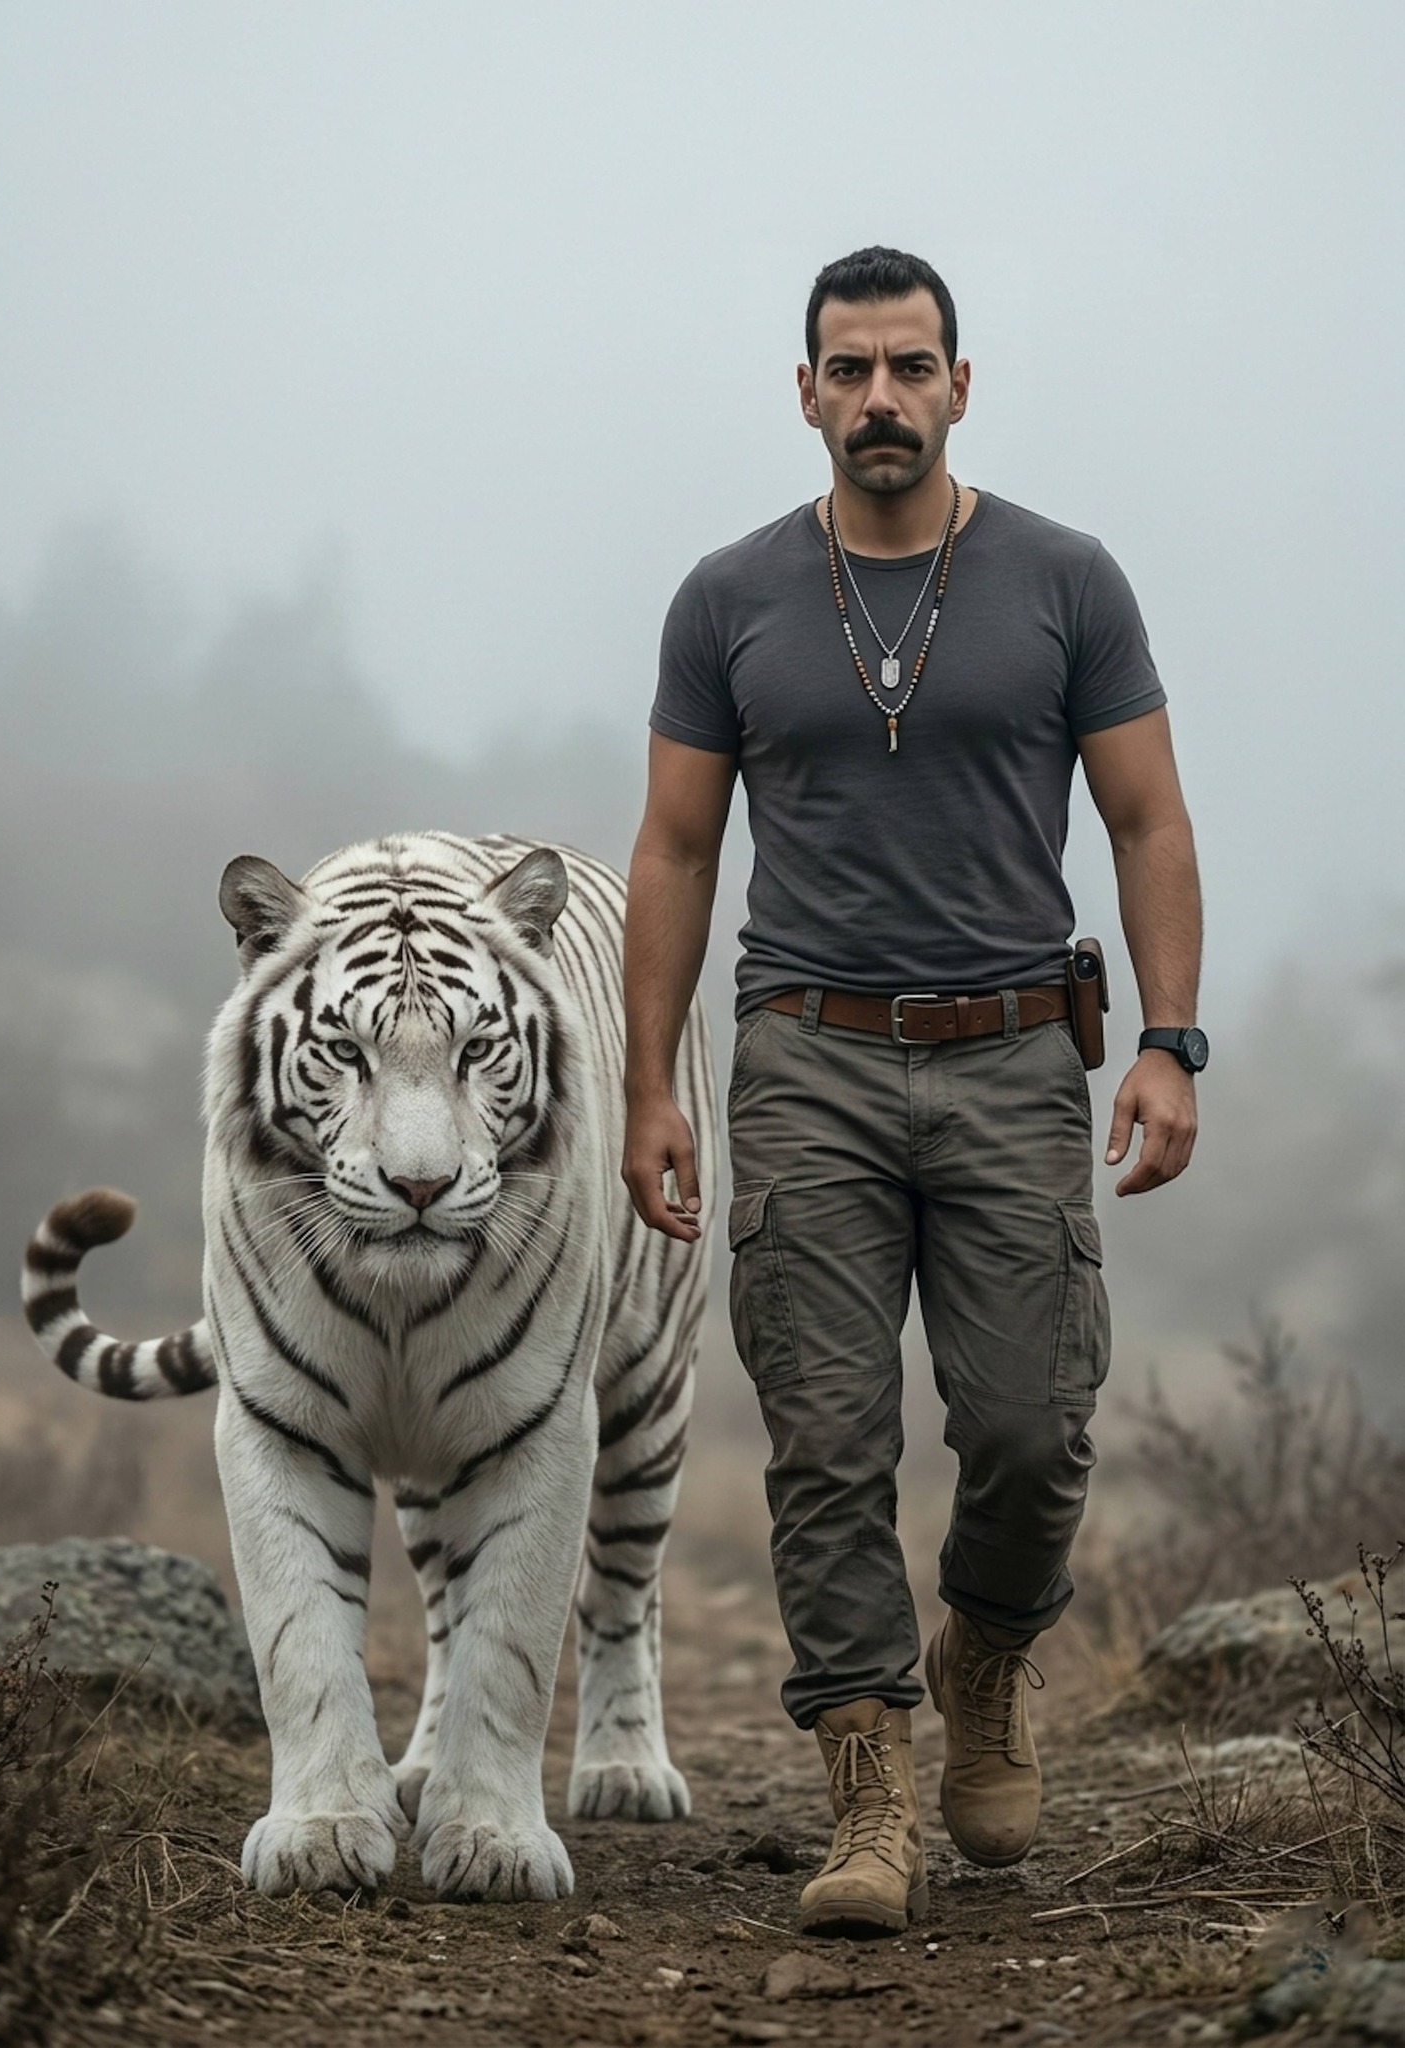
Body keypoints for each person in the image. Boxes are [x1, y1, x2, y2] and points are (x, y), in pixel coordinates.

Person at [620, 246, 1203, 1938]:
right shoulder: (725, 599)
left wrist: (1168, 1038)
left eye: (909, 367)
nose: (881, 397)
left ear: (960, 385)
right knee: (822, 1436)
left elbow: (1146, 819)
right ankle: (867, 1790)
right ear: (803, 391)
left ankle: (989, 1653)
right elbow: (673, 845)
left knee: (1031, 1429)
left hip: (1018, 1048)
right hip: (804, 1050)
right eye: (849, 369)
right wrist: (658, 1088)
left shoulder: (1064, 580)